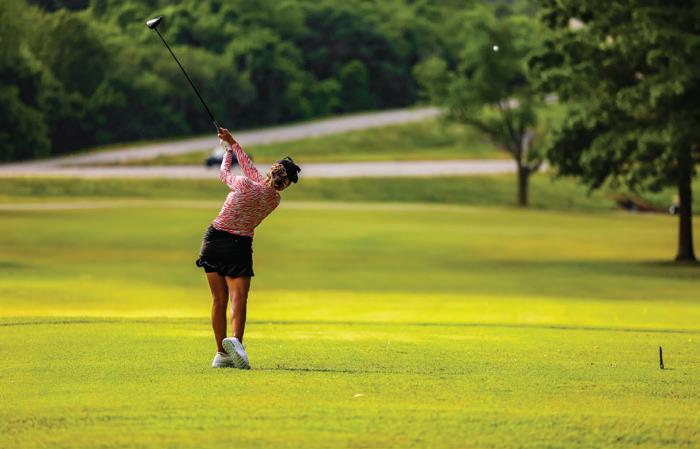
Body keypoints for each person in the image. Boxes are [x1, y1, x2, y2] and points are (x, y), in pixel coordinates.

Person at [196, 128, 301, 369]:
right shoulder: (274, 200)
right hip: (239, 245)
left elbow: (225, 174)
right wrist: (232, 143)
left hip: (214, 240)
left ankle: (221, 354)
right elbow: (255, 175)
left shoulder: (244, 184)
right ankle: (237, 343)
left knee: (218, 299)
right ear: (285, 183)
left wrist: (228, 152)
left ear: (272, 170)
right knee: (239, 298)